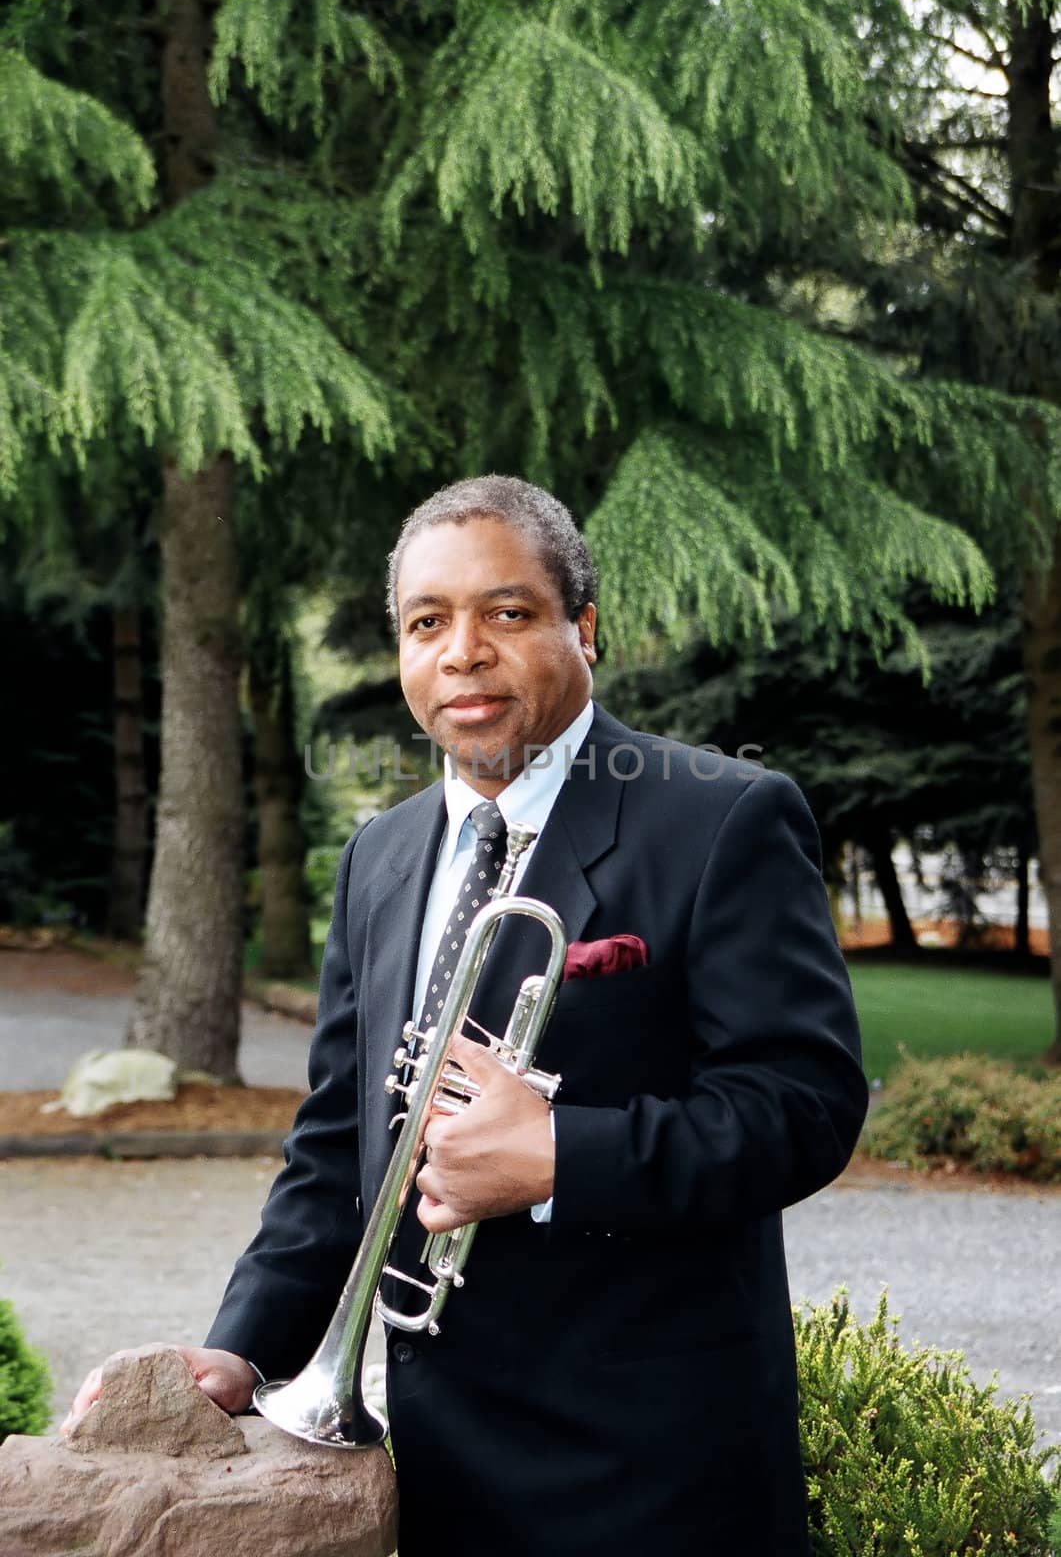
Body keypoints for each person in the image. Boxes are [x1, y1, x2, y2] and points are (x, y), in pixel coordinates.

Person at [65, 475, 867, 1556]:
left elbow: (801, 1107)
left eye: (508, 612)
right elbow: (334, 1147)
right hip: (442, 1457)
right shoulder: (379, 857)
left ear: (583, 627)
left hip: (659, 1467)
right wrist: (245, 1349)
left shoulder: (721, 816)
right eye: (425, 621)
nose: (463, 650)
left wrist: (556, 1155)